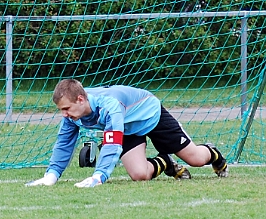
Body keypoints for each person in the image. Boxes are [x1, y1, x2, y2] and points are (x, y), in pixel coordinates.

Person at [26, 79, 228, 188]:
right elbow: (64, 143)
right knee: (140, 175)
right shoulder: (73, 115)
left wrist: (99, 176)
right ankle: (165, 162)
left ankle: (214, 153)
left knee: (196, 159)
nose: (64, 114)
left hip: (151, 116)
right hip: (127, 129)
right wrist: (50, 176)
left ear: (80, 99)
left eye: (66, 109)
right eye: (62, 110)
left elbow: (113, 141)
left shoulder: (110, 106)